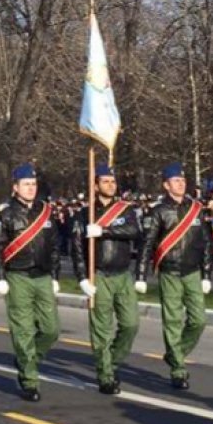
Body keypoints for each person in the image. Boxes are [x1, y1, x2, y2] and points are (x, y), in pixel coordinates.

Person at [138, 162, 213, 390]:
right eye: (176, 180)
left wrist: (207, 273)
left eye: (183, 180)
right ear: (166, 185)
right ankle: (178, 369)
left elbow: (206, 243)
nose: (181, 183)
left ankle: (175, 353)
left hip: (192, 271)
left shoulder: (196, 209)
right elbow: (148, 244)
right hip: (169, 271)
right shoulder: (158, 211)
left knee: (199, 320)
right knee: (172, 321)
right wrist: (141, 274)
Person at [0, 164, 62, 402]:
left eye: (33, 184)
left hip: (42, 276)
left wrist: (55, 276)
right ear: (15, 188)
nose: (31, 188)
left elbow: (54, 247)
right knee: (23, 330)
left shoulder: (46, 211)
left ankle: (26, 358)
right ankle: (29, 379)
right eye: (26, 184)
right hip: (18, 276)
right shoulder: (4, 213)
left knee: (51, 330)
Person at [70, 163, 141, 395]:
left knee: (130, 324)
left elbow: (134, 231)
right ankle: (105, 375)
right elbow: (77, 248)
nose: (111, 185)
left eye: (113, 181)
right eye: (106, 181)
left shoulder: (125, 210)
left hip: (122, 274)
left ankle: (111, 361)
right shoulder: (84, 214)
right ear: (95, 185)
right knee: (102, 328)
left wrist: (104, 231)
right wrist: (82, 278)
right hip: (98, 275)